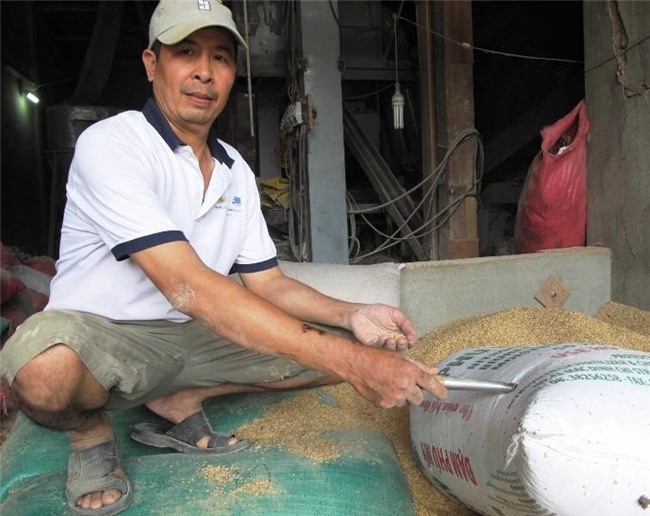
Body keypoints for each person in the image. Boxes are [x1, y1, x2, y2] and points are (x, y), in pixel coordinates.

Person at [0, 1, 447, 514]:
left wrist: (352, 315)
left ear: (233, 72)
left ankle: (182, 397)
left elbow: (269, 283)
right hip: (106, 334)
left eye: (221, 57)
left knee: (360, 352)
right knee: (41, 371)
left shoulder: (234, 169)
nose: (203, 73)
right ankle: (89, 433)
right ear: (152, 64)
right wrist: (351, 361)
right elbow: (187, 285)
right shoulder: (113, 145)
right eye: (185, 53)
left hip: (196, 337)